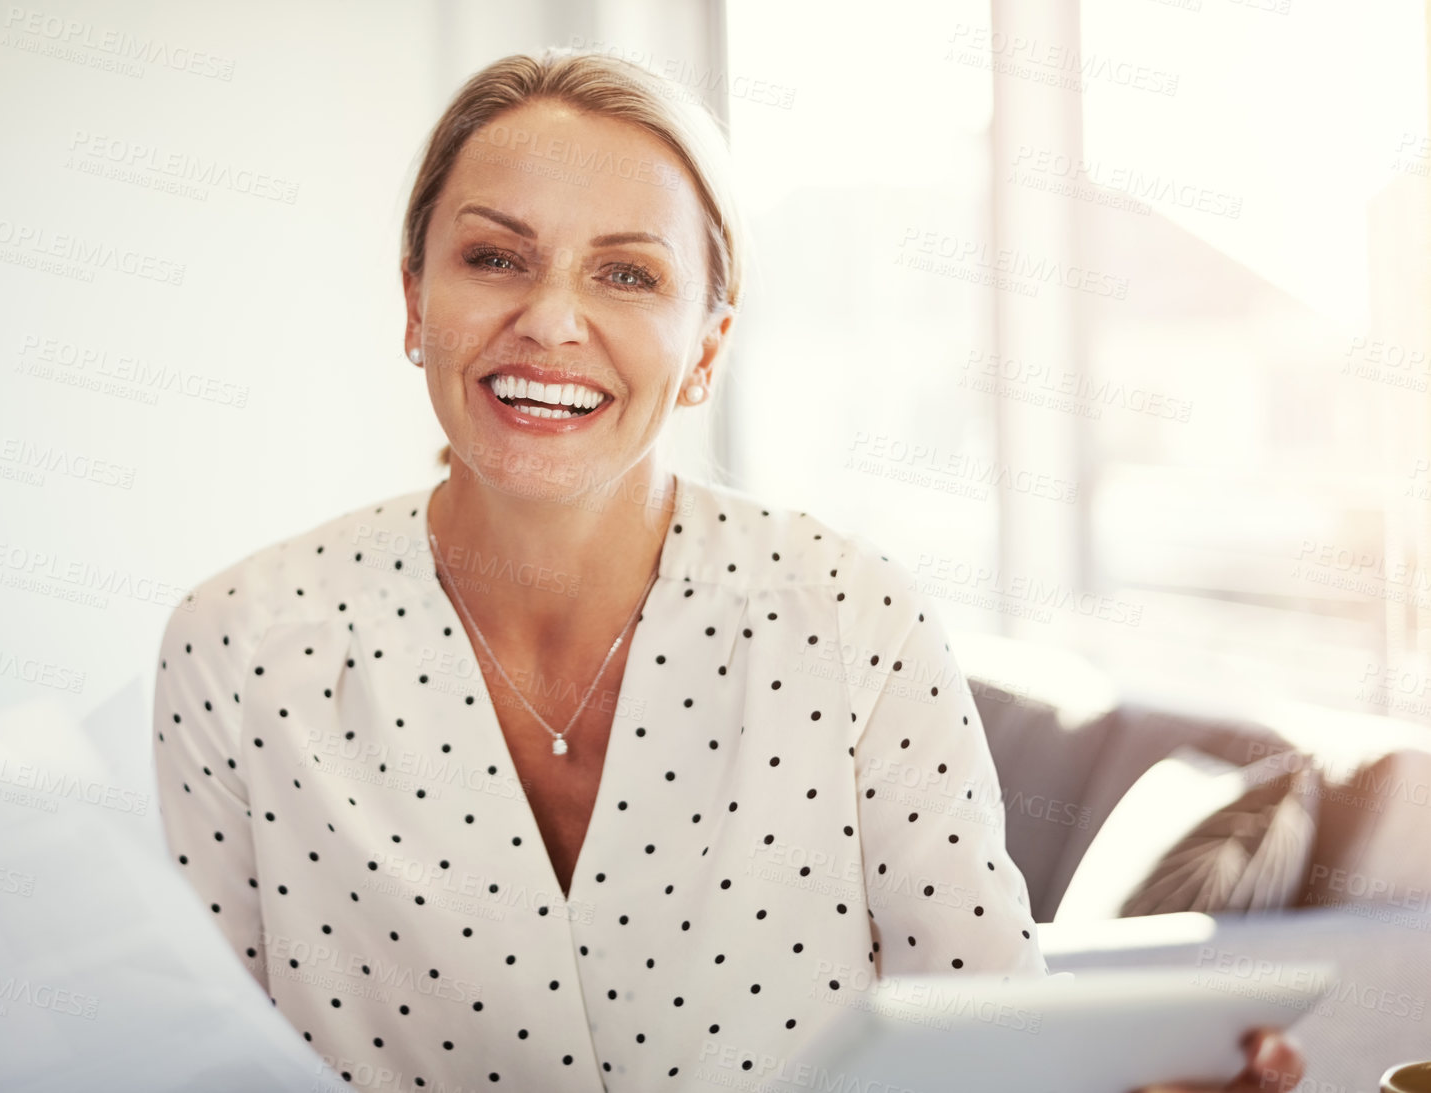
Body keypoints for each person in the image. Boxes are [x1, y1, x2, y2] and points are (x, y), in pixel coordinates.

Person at [152, 47, 1304, 1093]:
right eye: (495, 256)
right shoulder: (240, 645)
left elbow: (991, 1044)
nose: (548, 319)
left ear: (706, 346)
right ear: (415, 302)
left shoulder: (852, 617)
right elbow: (193, 1064)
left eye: (626, 276)